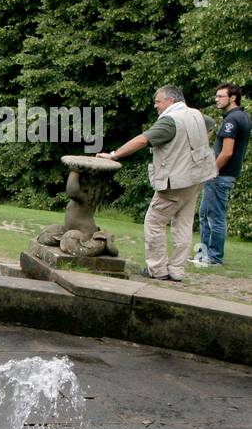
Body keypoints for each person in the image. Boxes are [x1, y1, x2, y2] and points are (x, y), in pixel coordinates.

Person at [104, 85, 217, 283]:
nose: (156, 105)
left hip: (177, 181)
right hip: (196, 178)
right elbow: (211, 125)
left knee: (154, 221)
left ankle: (157, 269)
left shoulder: (170, 121)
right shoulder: (196, 114)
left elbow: (141, 141)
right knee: (184, 223)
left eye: (158, 101)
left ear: (171, 100)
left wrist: (114, 155)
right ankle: (176, 270)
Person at [192, 83, 248, 267]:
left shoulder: (232, 120)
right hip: (224, 174)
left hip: (220, 175)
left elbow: (227, 152)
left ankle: (213, 257)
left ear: (233, 98)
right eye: (216, 96)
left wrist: (212, 171)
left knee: (213, 216)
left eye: (220, 96)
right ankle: (204, 255)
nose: (216, 99)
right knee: (206, 214)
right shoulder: (243, 116)